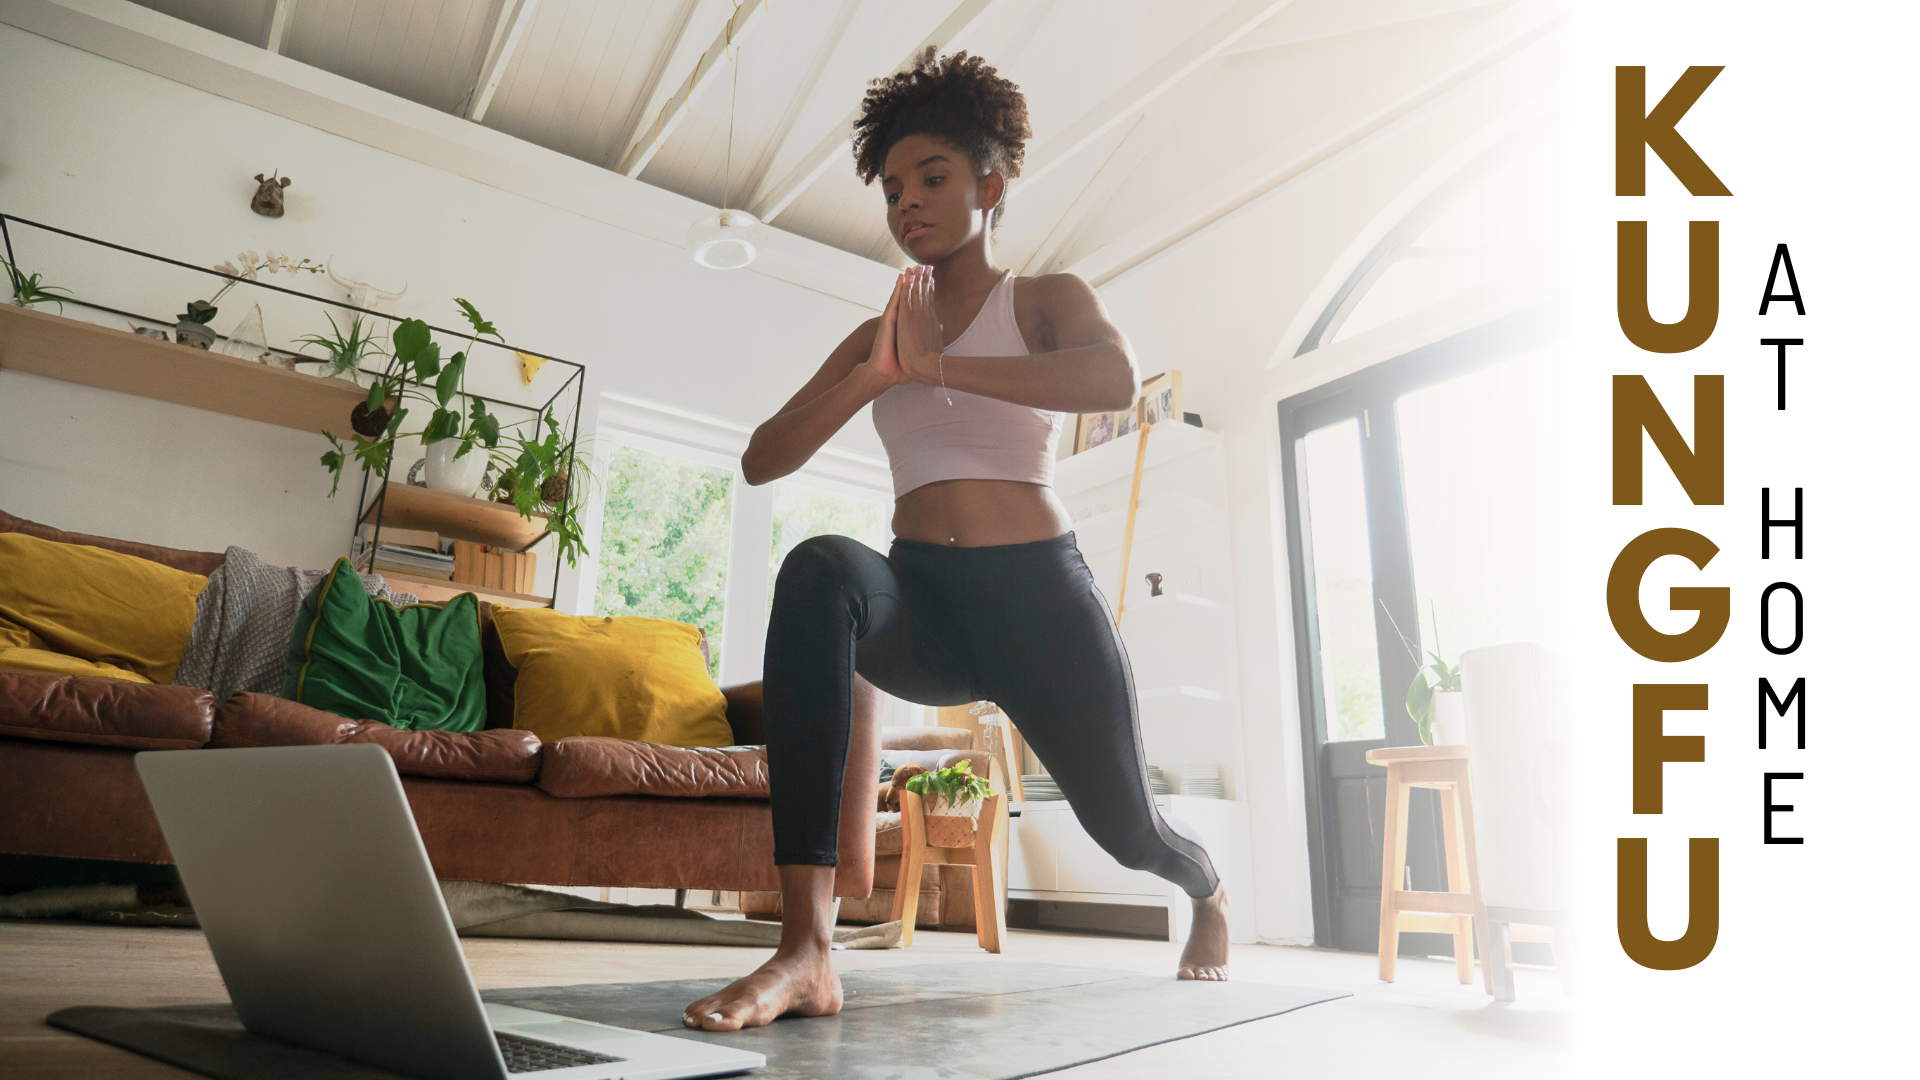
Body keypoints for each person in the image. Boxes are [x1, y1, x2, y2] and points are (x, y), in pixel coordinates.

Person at [682, 49, 1230, 1034]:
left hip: (1040, 605)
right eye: (893, 189)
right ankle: (806, 950)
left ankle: (1208, 890)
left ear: (990, 184)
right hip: (921, 601)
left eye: (932, 178)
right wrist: (876, 372)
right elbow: (764, 460)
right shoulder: (879, 331)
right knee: (819, 569)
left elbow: (1111, 383)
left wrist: (940, 363)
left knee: (1127, 829)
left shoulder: (1046, 298)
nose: (908, 203)